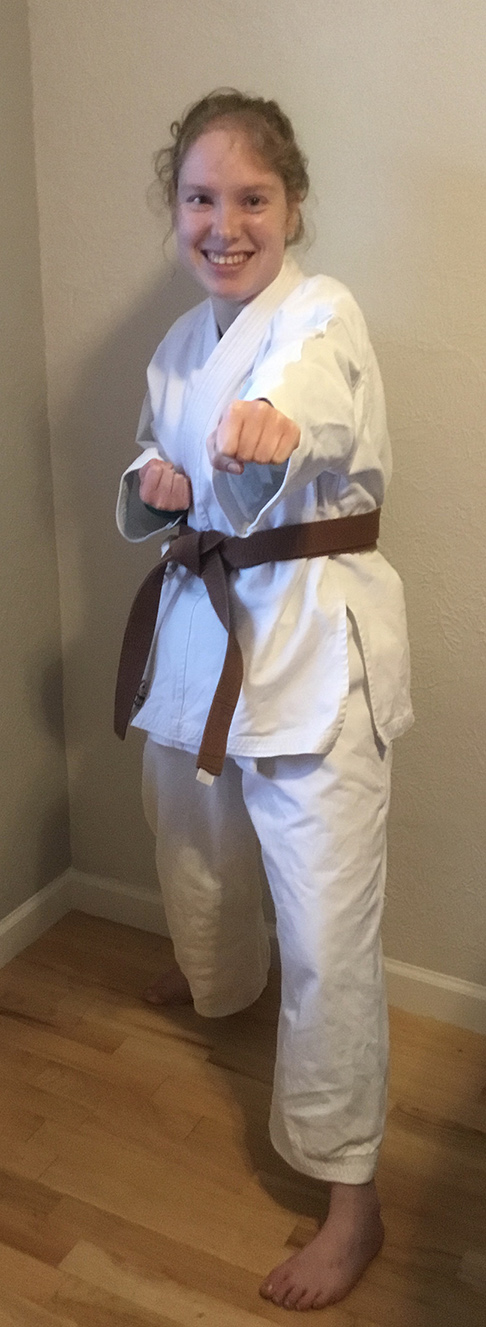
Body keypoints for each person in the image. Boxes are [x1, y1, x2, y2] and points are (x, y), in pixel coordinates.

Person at [115, 89, 413, 1312]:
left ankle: (355, 1197)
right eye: (200, 198)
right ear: (176, 211)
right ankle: (218, 979)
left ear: (292, 206)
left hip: (311, 641)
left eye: (250, 199)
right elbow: (143, 459)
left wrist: (268, 427)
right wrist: (159, 473)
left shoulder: (322, 315)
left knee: (330, 932)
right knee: (185, 834)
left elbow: (313, 404)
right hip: (206, 628)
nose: (223, 223)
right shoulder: (182, 341)